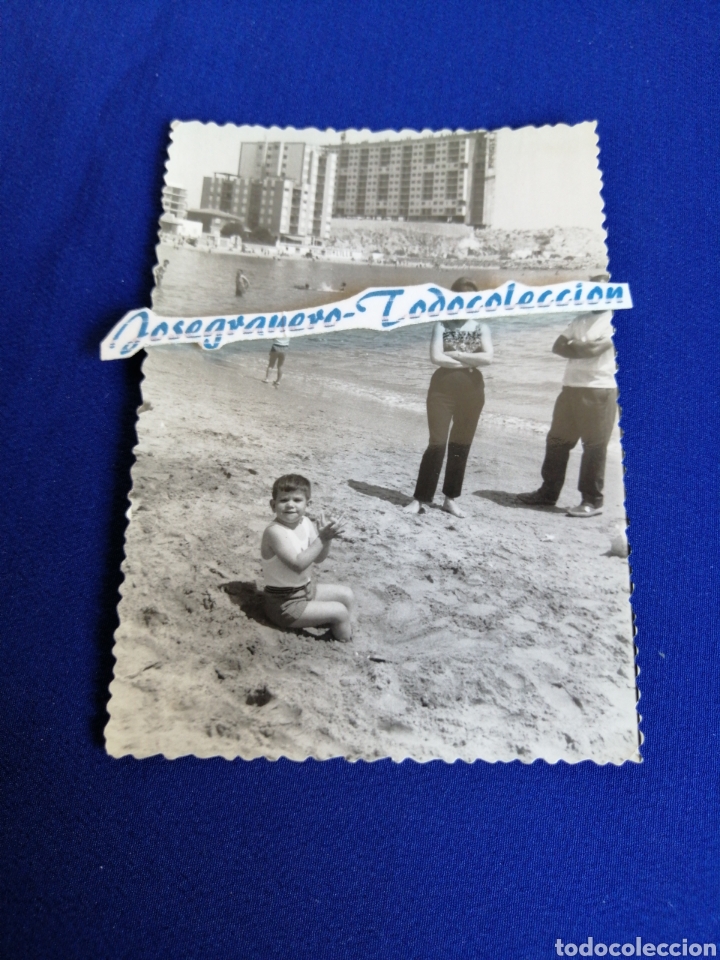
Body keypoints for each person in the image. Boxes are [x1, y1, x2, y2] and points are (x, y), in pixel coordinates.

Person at [517, 281, 617, 518]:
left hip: (599, 388)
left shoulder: (617, 320)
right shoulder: (580, 319)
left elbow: (593, 350)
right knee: (557, 441)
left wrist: (574, 346)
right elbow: (557, 346)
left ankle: (591, 501)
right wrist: (581, 347)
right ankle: (548, 493)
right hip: (570, 387)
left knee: (594, 446)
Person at [405, 278, 493, 519]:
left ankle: (450, 499)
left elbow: (488, 358)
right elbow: (436, 358)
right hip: (441, 391)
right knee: (437, 443)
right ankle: (420, 499)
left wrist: (454, 354)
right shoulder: (441, 325)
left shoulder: (481, 327)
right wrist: (469, 360)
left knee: (460, 445)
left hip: (472, 392)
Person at [261, 474, 354, 641]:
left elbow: (318, 558)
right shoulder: (274, 532)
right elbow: (298, 564)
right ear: (273, 505)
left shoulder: (305, 522)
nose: (290, 504)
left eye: (297, 500)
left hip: (306, 590)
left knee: (347, 595)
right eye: (283, 500)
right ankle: (346, 643)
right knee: (340, 612)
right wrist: (322, 538)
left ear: (307, 504)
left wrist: (327, 539)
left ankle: (347, 628)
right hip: (284, 604)